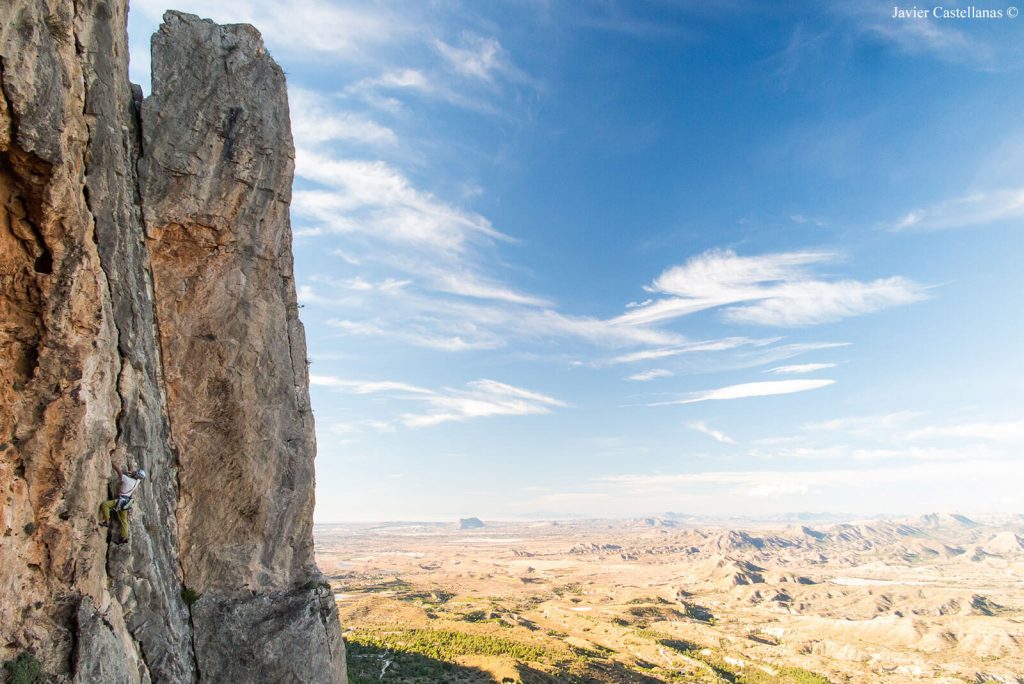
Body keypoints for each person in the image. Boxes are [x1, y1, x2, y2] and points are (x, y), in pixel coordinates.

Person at [99, 464, 147, 543]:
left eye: (136, 472)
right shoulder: (137, 481)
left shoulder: (127, 480)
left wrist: (112, 464)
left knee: (105, 505)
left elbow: (119, 472)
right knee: (124, 521)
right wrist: (131, 473)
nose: (134, 471)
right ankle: (124, 537)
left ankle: (107, 521)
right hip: (127, 502)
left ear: (136, 475)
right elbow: (132, 473)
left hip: (121, 500)